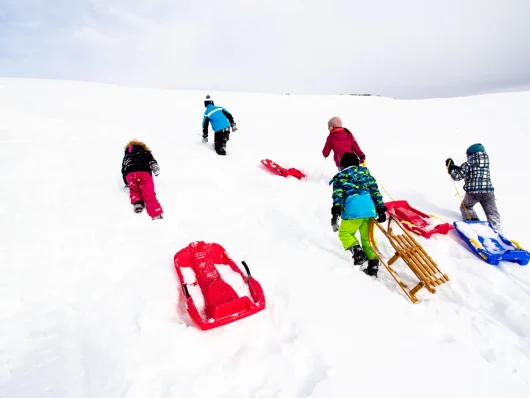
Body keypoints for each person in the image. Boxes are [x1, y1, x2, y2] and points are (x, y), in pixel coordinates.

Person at [329, 152, 387, 277]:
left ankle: (358, 253)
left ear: (342, 165)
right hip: (369, 210)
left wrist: (335, 213)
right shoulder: (365, 173)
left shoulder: (340, 177)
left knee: (345, 233)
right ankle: (373, 265)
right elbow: (375, 190)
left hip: (352, 211)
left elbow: (338, 196)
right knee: (367, 239)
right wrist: (381, 208)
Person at [446, 143, 501, 231]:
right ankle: (497, 230)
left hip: (473, 192)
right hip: (488, 192)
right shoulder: (486, 163)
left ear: (471, 155)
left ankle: (473, 222)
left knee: (466, 207)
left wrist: (451, 169)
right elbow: (477, 169)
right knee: (492, 213)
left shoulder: (468, 164)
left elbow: (457, 177)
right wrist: (458, 167)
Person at [121, 140, 164, 220]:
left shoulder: (127, 155)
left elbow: (123, 169)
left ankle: (137, 203)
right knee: (149, 193)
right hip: (144, 172)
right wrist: (155, 169)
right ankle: (156, 213)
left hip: (130, 173)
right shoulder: (144, 151)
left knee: (134, 189)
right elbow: (152, 161)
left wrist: (126, 182)